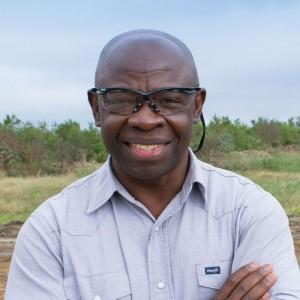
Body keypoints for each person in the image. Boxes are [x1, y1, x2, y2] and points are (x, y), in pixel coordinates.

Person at [5, 29, 300, 300]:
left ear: (196, 106)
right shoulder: (51, 231)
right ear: (96, 108)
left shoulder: (249, 213)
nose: (145, 119)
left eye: (169, 99)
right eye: (122, 99)